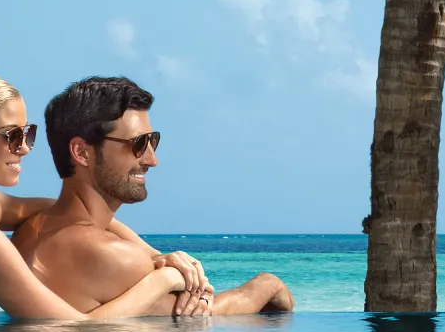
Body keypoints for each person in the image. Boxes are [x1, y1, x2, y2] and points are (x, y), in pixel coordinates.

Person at [0, 72, 198, 320]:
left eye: (27, 134)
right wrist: (163, 278)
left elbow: (70, 210)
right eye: (11, 136)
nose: (24, 148)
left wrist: (154, 254)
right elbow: (75, 328)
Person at [15, 76, 293, 316]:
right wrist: (267, 284)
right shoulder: (112, 255)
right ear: (82, 152)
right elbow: (206, 314)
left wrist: (156, 256)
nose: (152, 159)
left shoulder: (29, 231)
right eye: (137, 144)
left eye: (152, 141)